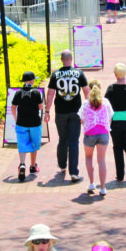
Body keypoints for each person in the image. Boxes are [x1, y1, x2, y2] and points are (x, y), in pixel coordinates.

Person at [47, 50, 90, 183]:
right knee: (74, 141)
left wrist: (47, 111)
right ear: (71, 59)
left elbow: (50, 94)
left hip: (60, 112)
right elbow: (86, 91)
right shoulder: (79, 73)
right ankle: (74, 173)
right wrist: (87, 109)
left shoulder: (55, 74)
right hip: (75, 111)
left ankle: (62, 164)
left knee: (62, 139)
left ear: (61, 59)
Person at [77, 79, 113, 195]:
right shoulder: (106, 102)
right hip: (103, 133)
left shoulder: (85, 103)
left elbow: (82, 119)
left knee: (88, 157)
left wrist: (87, 126)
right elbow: (110, 117)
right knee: (101, 160)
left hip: (90, 133)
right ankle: (103, 188)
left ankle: (91, 183)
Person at [12, 71, 46, 182]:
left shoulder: (18, 93)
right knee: (34, 143)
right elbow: (40, 107)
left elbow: (13, 107)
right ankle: (32, 166)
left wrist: (16, 119)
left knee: (22, 143)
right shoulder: (36, 92)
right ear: (31, 81)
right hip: (35, 123)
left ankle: (22, 163)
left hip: (21, 122)